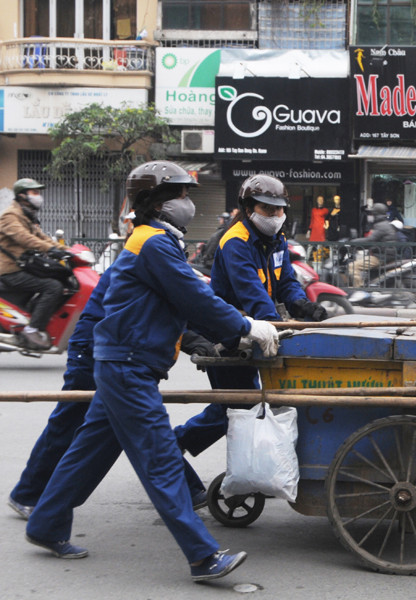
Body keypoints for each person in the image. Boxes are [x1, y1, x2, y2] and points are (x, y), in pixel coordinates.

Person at [25, 161, 281, 582]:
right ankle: (202, 556)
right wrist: (246, 326)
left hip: (122, 361)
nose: (187, 204)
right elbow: (194, 298)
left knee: (90, 450)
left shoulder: (154, 241)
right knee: (161, 460)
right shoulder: (153, 244)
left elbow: (186, 301)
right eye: (180, 196)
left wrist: (232, 329)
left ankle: (46, 523)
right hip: (128, 365)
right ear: (156, 202)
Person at [7, 270, 213, 519]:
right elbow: (147, 310)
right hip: (99, 352)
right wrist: (199, 336)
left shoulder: (157, 251)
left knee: (140, 425)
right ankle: (29, 495)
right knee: (73, 424)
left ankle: (187, 491)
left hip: (119, 355)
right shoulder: (144, 254)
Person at [174, 174, 327, 459]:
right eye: (268, 209)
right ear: (248, 209)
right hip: (228, 334)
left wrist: (302, 305)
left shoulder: (277, 239)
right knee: (237, 405)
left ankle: (251, 466)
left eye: (279, 209)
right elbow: (252, 292)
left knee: (246, 404)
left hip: (257, 328)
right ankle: (176, 443)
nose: (275, 215)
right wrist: (276, 326)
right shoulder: (235, 242)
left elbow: (285, 282)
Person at [0, 178, 72, 349]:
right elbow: (25, 238)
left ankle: (33, 318)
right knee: (52, 286)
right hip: (10, 271)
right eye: (34, 193)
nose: (38, 197)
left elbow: (42, 237)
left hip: (22, 267)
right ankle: (33, 329)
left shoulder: (26, 215)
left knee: (59, 281)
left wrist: (68, 250)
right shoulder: (10, 216)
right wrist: (50, 249)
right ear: (22, 195)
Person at [349, 203, 398, 287]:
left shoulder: (381, 226)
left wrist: (353, 242)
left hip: (381, 256)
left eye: (372, 214)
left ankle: (359, 290)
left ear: (376, 214)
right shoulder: (385, 224)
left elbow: (370, 240)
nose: (370, 216)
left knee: (353, 266)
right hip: (384, 255)